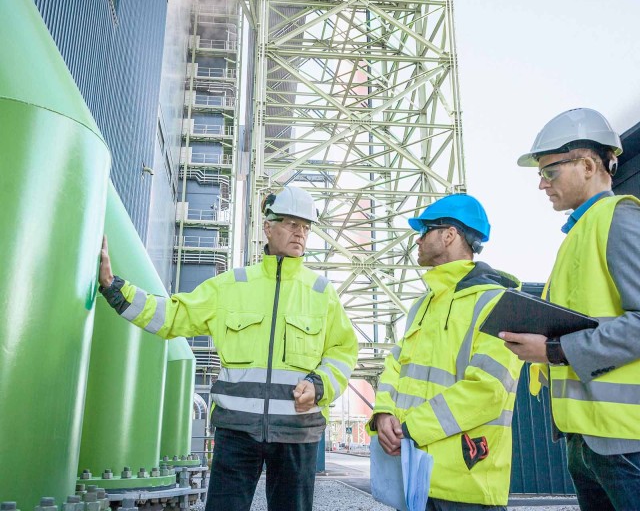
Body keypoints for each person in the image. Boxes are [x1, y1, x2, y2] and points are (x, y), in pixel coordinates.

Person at [98, 186, 358, 511]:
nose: (300, 233)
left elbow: (343, 352)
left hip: (297, 433)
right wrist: (115, 290)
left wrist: (320, 385)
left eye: (305, 227)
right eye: (292, 224)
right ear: (268, 227)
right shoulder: (231, 286)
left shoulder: (322, 293)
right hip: (237, 433)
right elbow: (174, 316)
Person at [499, 107, 640, 511]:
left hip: (626, 443)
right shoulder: (581, 233)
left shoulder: (620, 220)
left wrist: (554, 351)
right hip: (586, 439)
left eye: (550, 171)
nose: (542, 184)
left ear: (588, 165)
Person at [368, 194, 524, 511]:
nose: (418, 239)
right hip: (415, 477)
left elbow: (487, 390)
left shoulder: (497, 302)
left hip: (467, 484)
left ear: (449, 234)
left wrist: (410, 428)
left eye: (425, 230)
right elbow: (395, 367)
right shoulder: (423, 306)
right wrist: (383, 412)